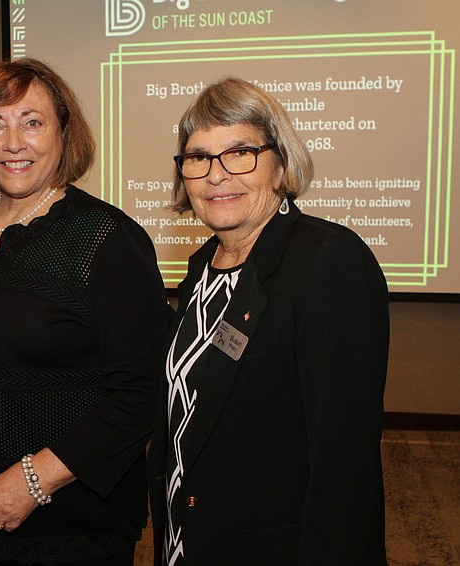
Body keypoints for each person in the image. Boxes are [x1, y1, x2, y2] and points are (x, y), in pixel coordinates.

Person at [0, 58, 170, 566]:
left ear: (63, 133)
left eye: (32, 122)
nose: (13, 142)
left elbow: (144, 391)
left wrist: (33, 481)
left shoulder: (106, 238)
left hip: (68, 524)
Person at [148, 77, 390, 565]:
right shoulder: (200, 269)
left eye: (240, 152)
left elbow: (344, 465)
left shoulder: (327, 261)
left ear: (279, 165)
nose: (216, 175)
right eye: (197, 158)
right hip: (192, 538)